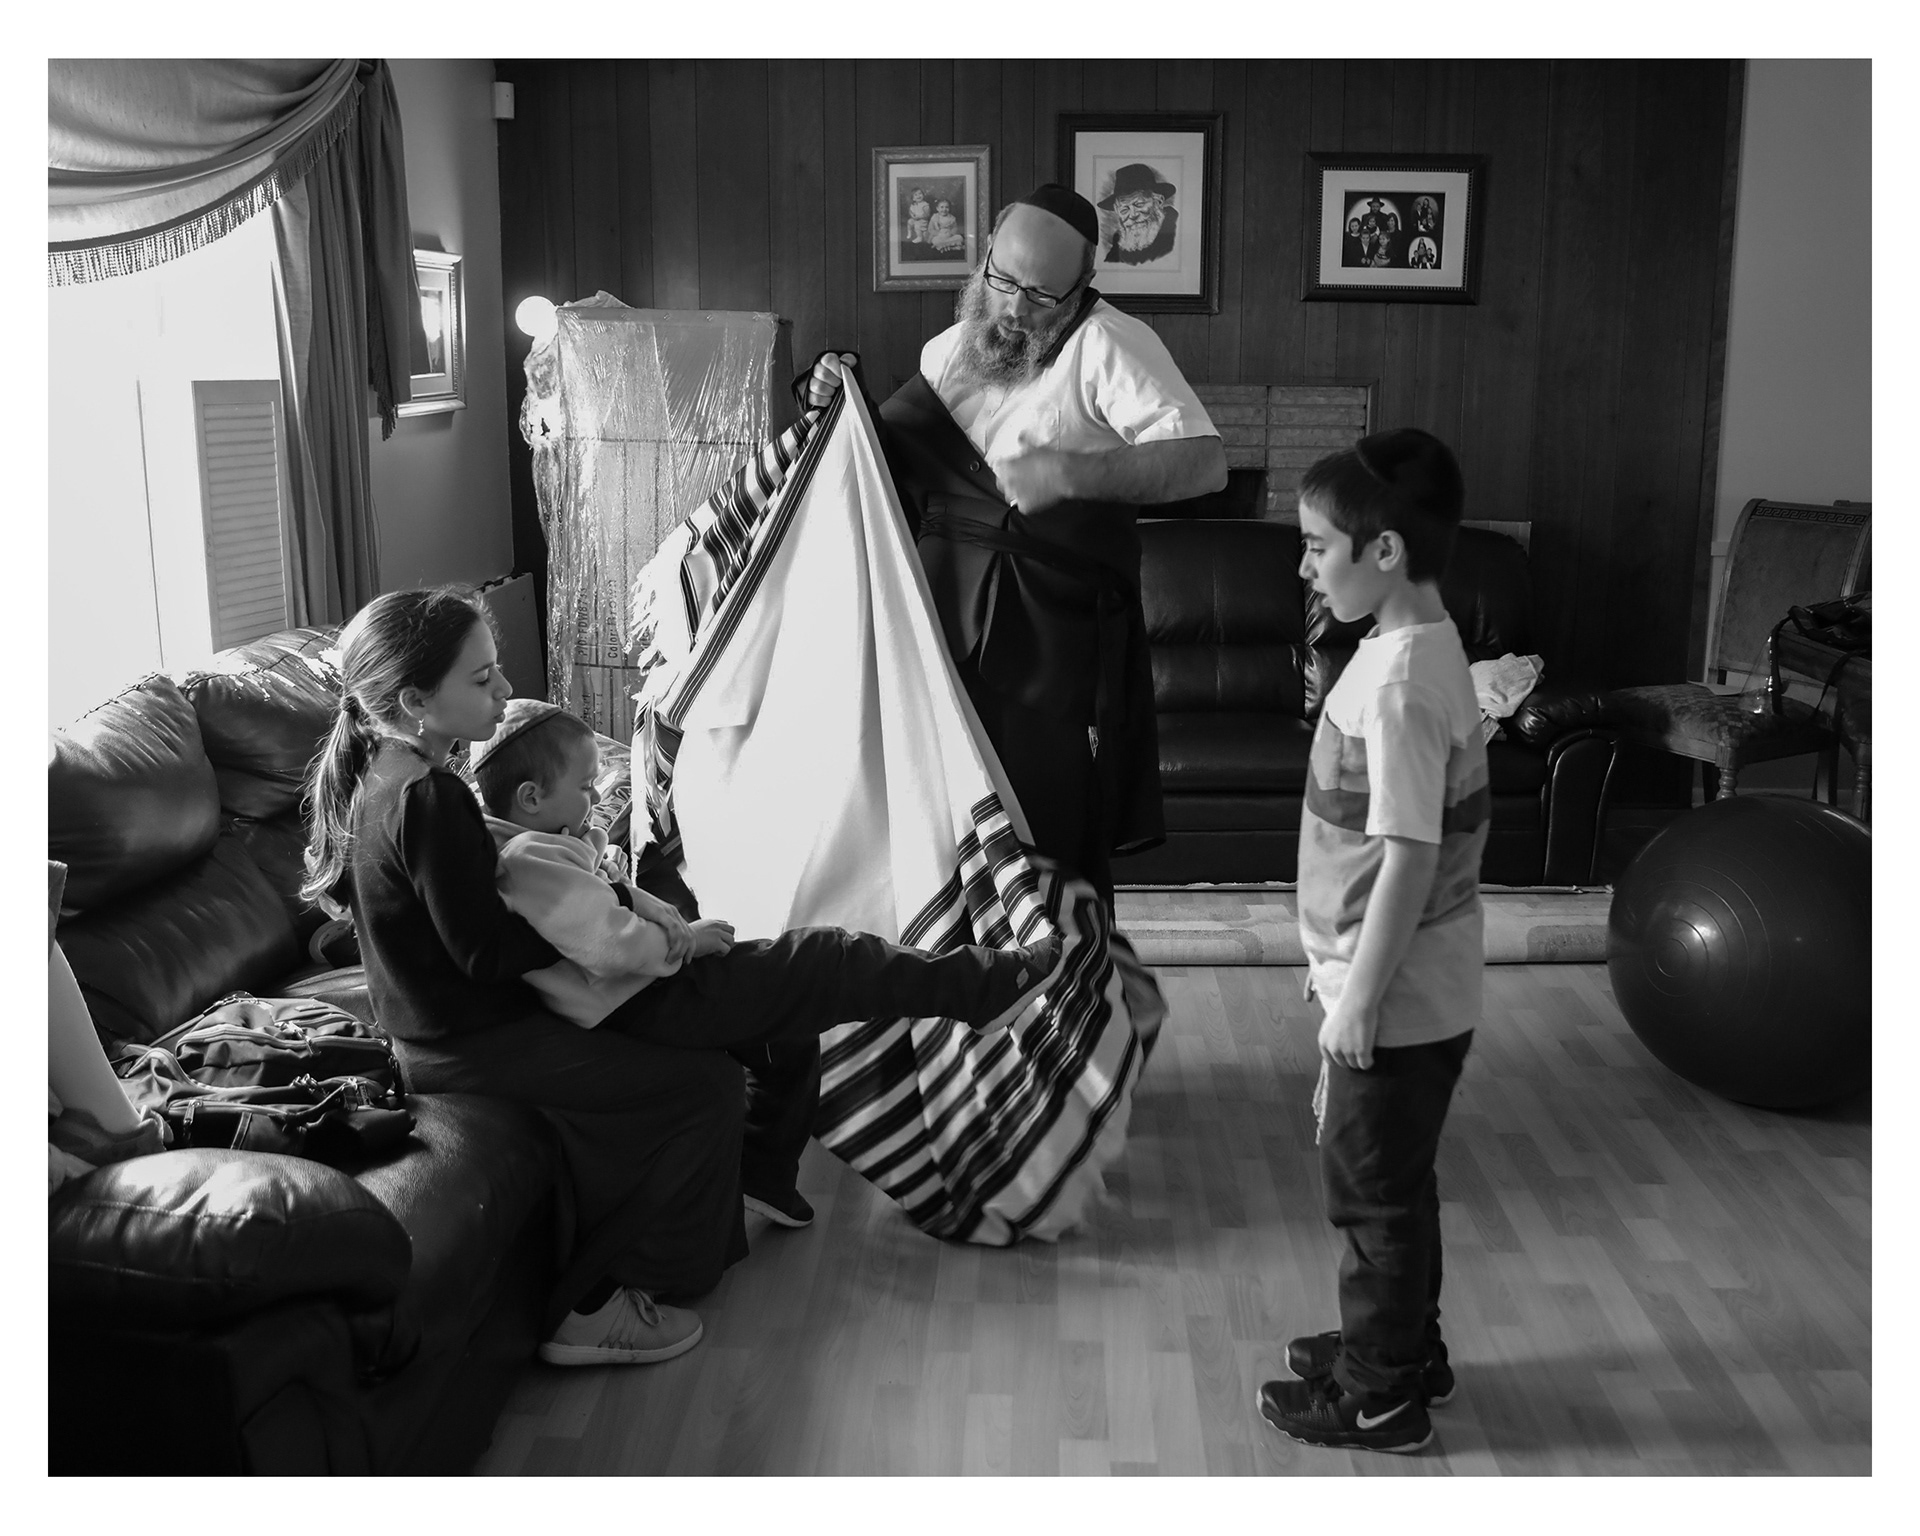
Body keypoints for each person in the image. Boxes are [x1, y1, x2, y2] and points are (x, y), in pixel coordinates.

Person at [302, 587, 754, 1370]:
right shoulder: (428, 794)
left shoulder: (384, 770)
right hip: (466, 1046)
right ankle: (585, 1305)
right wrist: (587, 928)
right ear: (413, 700)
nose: (505, 691)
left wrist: (597, 900)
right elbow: (483, 952)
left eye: (497, 671)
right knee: (702, 1088)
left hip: (432, 1034)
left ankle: (650, 1256)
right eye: (481, 681)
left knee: (681, 1057)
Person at [466, 697, 1065, 1228]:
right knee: (828, 958)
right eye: (585, 787)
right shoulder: (528, 859)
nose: (597, 798)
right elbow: (611, 943)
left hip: (648, 989)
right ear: (531, 797)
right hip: (645, 998)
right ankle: (979, 987)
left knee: (788, 1037)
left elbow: (616, 892)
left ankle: (764, 1172)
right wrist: (686, 941)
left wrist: (660, 914)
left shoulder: (547, 842)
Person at [804, 183, 1227, 906]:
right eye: (1002, 280)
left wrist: (1074, 470)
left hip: (1044, 639)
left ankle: (1064, 997)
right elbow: (897, 468)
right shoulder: (947, 348)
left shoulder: (1110, 345)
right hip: (934, 623)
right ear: (985, 259)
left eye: (1040, 296)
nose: (1014, 308)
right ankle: (953, 995)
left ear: (1080, 289)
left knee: (1042, 830)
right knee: (937, 821)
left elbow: (1205, 463)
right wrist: (830, 397)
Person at [1254, 428, 1486, 1455]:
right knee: (1401, 1184)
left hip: (1395, 1002)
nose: (1305, 565)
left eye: (1316, 546)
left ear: (1383, 551)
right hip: (1413, 988)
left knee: (1371, 1201)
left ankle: (1381, 1393)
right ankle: (1401, 1346)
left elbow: (1407, 861)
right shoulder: (1420, 650)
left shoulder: (1397, 688)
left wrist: (1356, 1000)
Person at [1098, 162, 1179, 266]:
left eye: (1139, 204)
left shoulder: (1173, 228)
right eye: (1124, 210)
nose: (1133, 215)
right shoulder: (1119, 240)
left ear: (1158, 202)